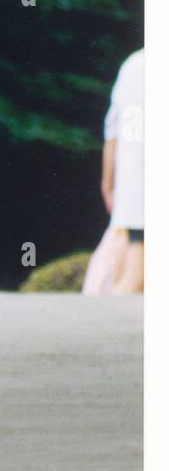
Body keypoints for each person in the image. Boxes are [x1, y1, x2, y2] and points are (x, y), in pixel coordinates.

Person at [84, 48, 144, 295]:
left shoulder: (134, 64)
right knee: (135, 276)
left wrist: (109, 184)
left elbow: (113, 133)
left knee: (131, 268)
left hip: (134, 191)